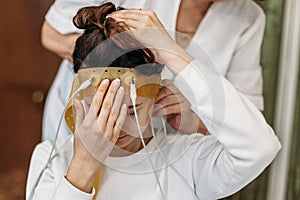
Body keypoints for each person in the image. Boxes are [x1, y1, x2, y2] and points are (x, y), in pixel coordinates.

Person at [27, 3, 281, 200]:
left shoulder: (187, 159)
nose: (117, 126)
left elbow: (260, 147)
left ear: (158, 92)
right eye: (101, 108)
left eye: (131, 109)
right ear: (80, 95)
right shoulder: (52, 159)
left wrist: (173, 54)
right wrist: (83, 166)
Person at [41, 0, 266, 140]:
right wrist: (120, 65)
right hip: (83, 126)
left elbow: (245, 120)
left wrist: (192, 120)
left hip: (161, 150)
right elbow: (50, 35)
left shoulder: (249, 19)